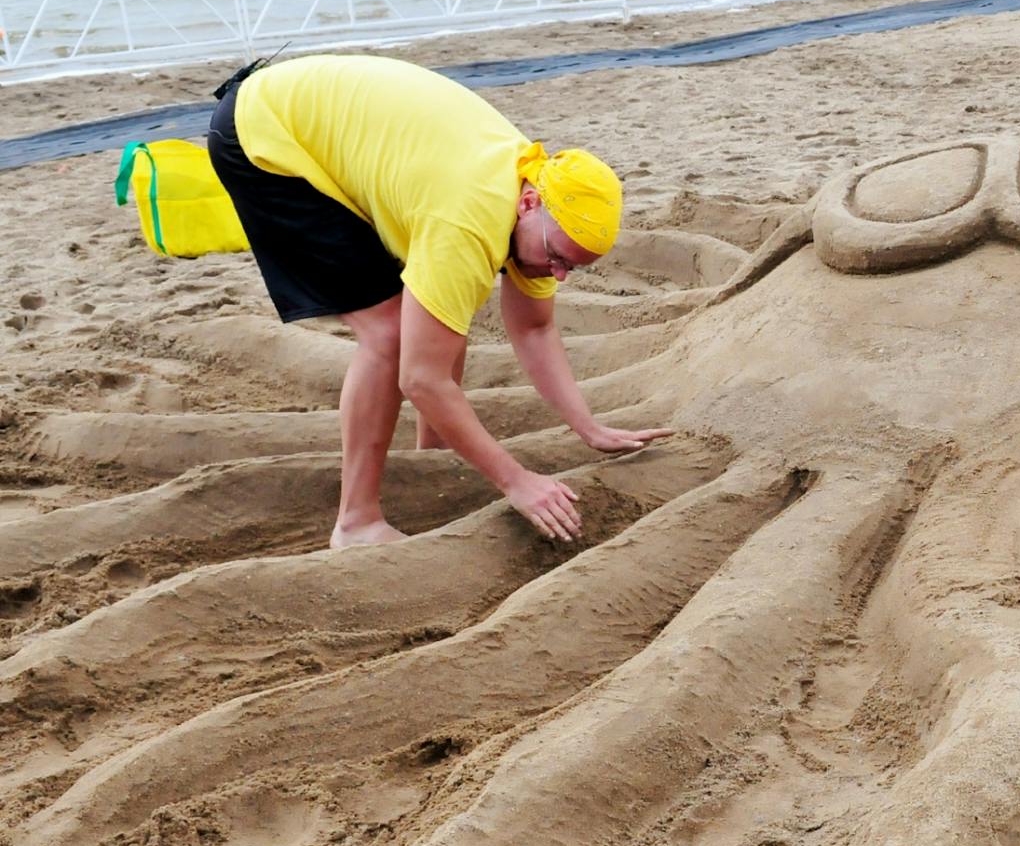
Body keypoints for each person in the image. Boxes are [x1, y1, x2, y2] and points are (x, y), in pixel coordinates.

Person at [205, 53, 671, 550]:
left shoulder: (536, 199)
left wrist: (589, 427)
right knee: (392, 335)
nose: (558, 273)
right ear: (530, 203)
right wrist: (517, 481)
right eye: (557, 257)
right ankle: (356, 522)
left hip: (337, 126)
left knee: (440, 317)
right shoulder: (469, 220)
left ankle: (435, 460)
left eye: (571, 267)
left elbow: (534, 329)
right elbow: (420, 378)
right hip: (265, 135)